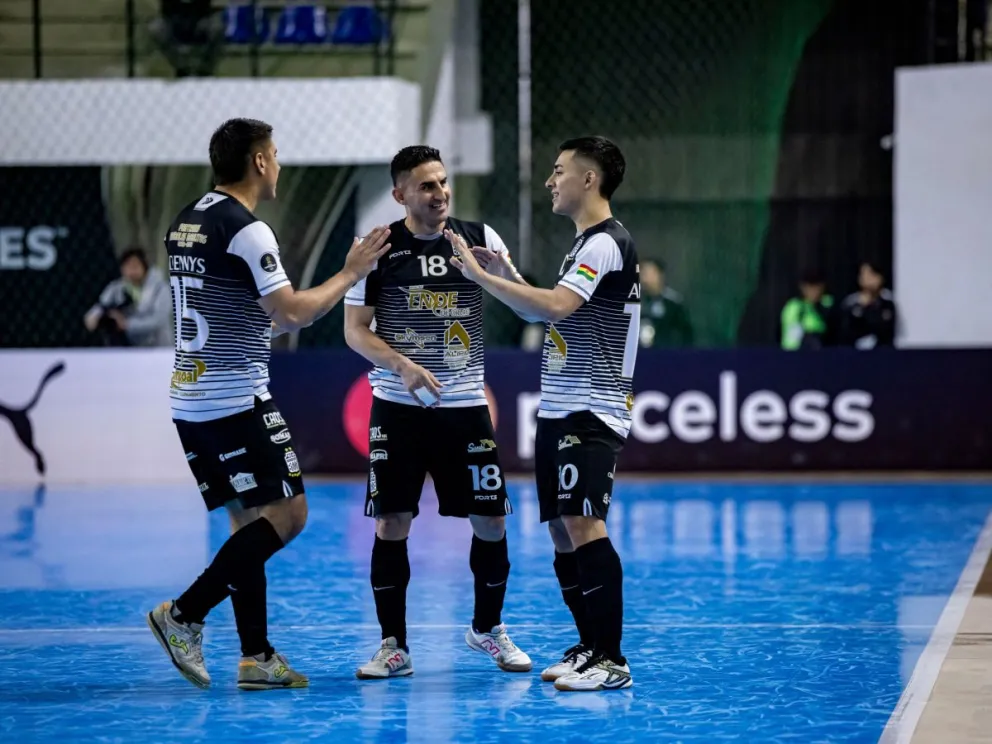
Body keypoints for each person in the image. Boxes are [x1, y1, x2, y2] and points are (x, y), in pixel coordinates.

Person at [146, 118, 391, 690]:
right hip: (234, 400)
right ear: (258, 162)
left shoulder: (186, 220)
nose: (278, 163)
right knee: (289, 515)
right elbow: (293, 313)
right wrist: (352, 272)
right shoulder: (247, 229)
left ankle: (255, 656)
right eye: (275, 154)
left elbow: (235, 310)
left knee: (247, 525)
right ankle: (182, 615)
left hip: (190, 398)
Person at [446, 135, 638, 691]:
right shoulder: (581, 246)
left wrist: (481, 278)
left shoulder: (605, 243)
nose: (550, 181)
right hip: (559, 406)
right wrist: (504, 268)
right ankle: (587, 646)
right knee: (560, 529)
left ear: (589, 180)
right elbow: (555, 314)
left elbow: (555, 307)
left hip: (591, 406)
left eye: (559, 171)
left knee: (584, 523)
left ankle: (612, 659)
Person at [343, 145, 533, 679]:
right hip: (398, 406)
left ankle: (487, 630)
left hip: (465, 405)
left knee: (491, 520)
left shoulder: (480, 237)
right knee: (392, 521)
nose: (440, 193)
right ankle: (393, 646)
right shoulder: (375, 248)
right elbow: (354, 331)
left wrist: (502, 276)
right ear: (400, 193)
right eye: (427, 185)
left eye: (444, 183)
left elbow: (525, 308)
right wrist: (401, 365)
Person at [83, 247, 173, 347]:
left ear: (145, 267)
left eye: (135, 266)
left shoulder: (160, 289)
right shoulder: (116, 288)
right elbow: (101, 305)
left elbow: (158, 320)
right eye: (127, 266)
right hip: (127, 348)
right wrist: (94, 316)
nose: (131, 271)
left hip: (157, 347)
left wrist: (127, 324)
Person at [837, 260, 897, 349]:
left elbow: (885, 329)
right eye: (864, 275)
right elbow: (846, 330)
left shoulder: (888, 301)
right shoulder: (851, 302)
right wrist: (861, 307)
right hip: (854, 353)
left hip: (882, 352)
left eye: (871, 275)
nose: (867, 279)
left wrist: (870, 308)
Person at [638, 259, 693, 348]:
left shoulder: (674, 303)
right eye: (642, 273)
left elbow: (685, 334)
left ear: (660, 275)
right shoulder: (637, 303)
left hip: (667, 356)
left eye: (649, 273)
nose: (644, 278)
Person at [780, 270, 835, 350]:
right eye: (810, 287)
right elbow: (791, 340)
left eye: (817, 287)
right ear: (803, 287)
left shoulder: (828, 304)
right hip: (801, 354)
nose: (814, 291)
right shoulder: (795, 307)